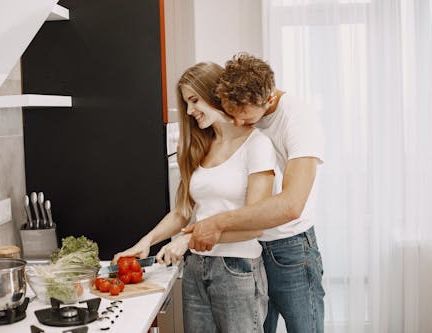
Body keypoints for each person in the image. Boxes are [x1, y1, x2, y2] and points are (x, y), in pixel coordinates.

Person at [113, 62, 277, 332]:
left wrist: (187, 240)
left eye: (194, 100)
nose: (189, 111)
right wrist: (146, 242)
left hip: (237, 269)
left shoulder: (257, 145)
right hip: (195, 268)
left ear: (215, 94)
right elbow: (182, 211)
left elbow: (255, 223)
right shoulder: (200, 146)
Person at [183, 53, 325, 333]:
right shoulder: (245, 106)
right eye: (230, 111)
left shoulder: (298, 121)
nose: (235, 122)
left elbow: (291, 205)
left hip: (290, 248)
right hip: (252, 250)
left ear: (269, 99)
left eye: (241, 114)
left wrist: (217, 222)